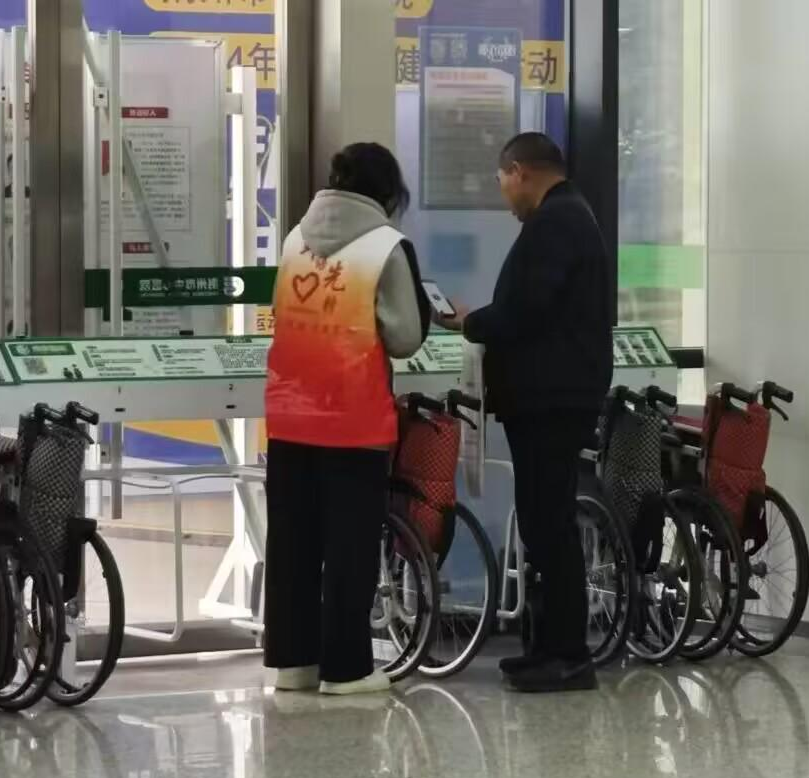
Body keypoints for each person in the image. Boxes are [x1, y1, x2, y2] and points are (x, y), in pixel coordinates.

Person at [440, 132, 614, 692]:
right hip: (555, 394)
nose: (504, 197)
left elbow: (525, 311)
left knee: (549, 523)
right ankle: (547, 648)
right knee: (543, 522)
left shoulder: (555, 222)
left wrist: (470, 321)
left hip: (551, 398)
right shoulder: (570, 215)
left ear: (519, 171)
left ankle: (568, 655)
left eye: (502, 183)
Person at [263, 143, 430, 695]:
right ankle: (346, 668)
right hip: (352, 418)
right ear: (388, 192)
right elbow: (404, 336)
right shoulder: (386, 246)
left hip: (290, 414)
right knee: (349, 545)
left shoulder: (294, 238)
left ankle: (294, 662)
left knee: (294, 542)